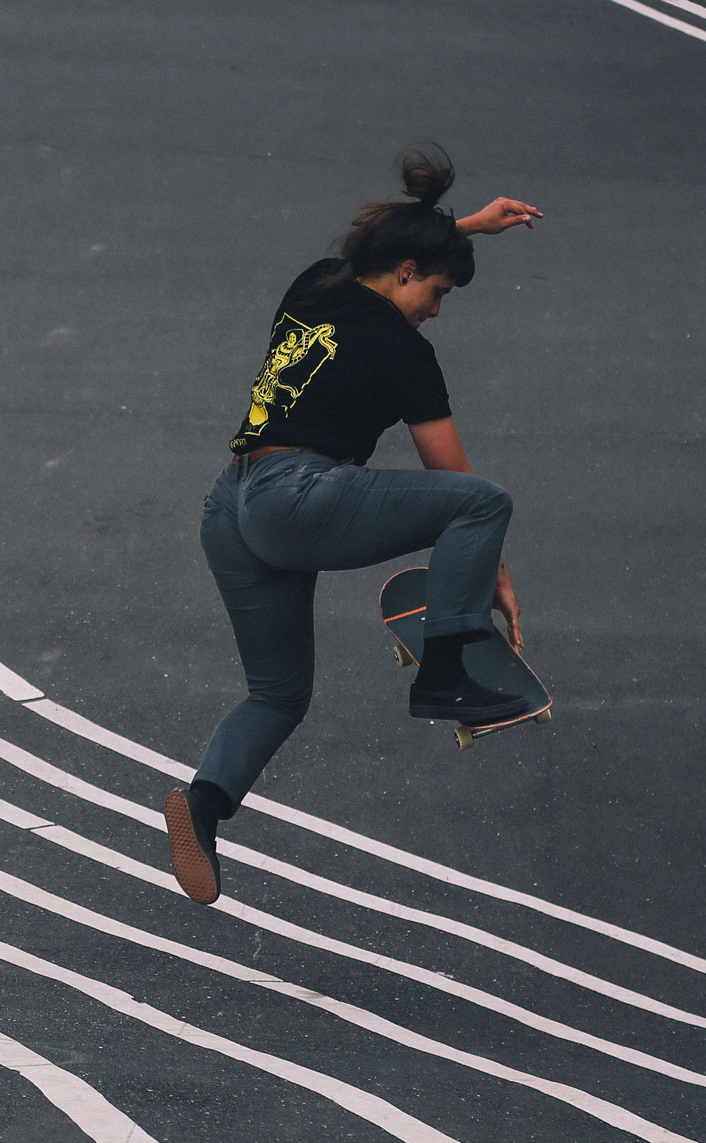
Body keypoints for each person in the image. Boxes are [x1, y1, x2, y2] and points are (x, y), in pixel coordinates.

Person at [164, 147, 541, 905]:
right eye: (437, 291)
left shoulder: (319, 281)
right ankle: (447, 671)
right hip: (298, 499)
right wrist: (489, 572)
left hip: (231, 505)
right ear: (408, 272)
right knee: (486, 502)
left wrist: (465, 231)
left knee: (277, 694)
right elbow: (456, 483)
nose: (437, 309)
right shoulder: (406, 351)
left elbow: (389, 254)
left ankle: (201, 804)